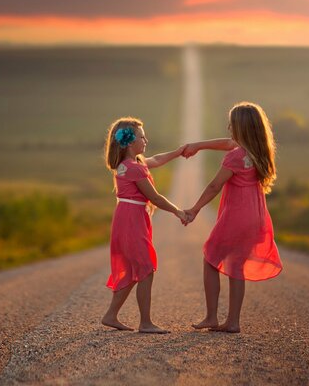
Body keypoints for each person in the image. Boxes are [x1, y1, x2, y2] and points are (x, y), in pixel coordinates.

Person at [182, 102, 283, 333]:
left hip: (236, 217)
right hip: (255, 216)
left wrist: (195, 209)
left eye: (231, 123)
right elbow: (228, 143)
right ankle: (233, 321)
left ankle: (211, 317)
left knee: (210, 259)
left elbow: (215, 185)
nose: (228, 127)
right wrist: (198, 145)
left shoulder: (235, 157)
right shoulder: (258, 150)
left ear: (240, 128)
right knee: (237, 267)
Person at [101, 117, 187, 334]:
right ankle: (145, 323)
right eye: (142, 136)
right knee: (146, 268)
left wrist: (178, 152)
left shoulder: (130, 164)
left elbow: (156, 159)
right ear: (130, 142)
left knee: (135, 268)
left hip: (127, 217)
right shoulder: (134, 169)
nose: (146, 139)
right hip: (132, 219)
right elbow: (155, 198)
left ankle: (111, 315)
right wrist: (179, 211)